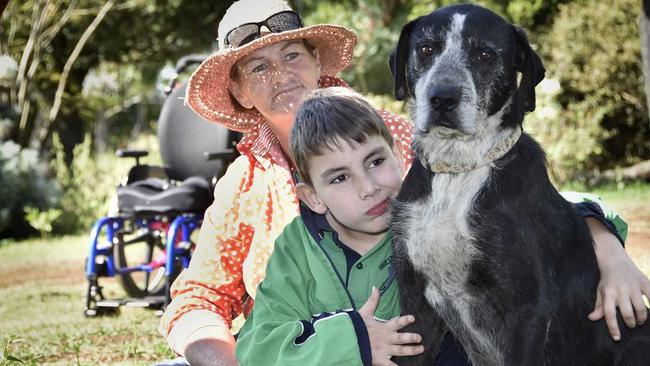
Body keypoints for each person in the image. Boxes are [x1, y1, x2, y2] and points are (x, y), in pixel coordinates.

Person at [159, 1, 650, 365]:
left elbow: (524, 209)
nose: (281, 75)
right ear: (240, 93)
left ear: (316, 60)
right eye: (258, 67)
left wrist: (606, 246)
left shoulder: (391, 135)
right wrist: (220, 359)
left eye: (291, 55)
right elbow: (198, 295)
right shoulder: (240, 187)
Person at [235, 87, 468, 366]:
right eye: (340, 178)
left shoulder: (435, 231)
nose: (369, 187)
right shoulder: (296, 247)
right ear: (313, 198)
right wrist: (354, 341)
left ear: (397, 155)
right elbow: (259, 348)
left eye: (376, 161)